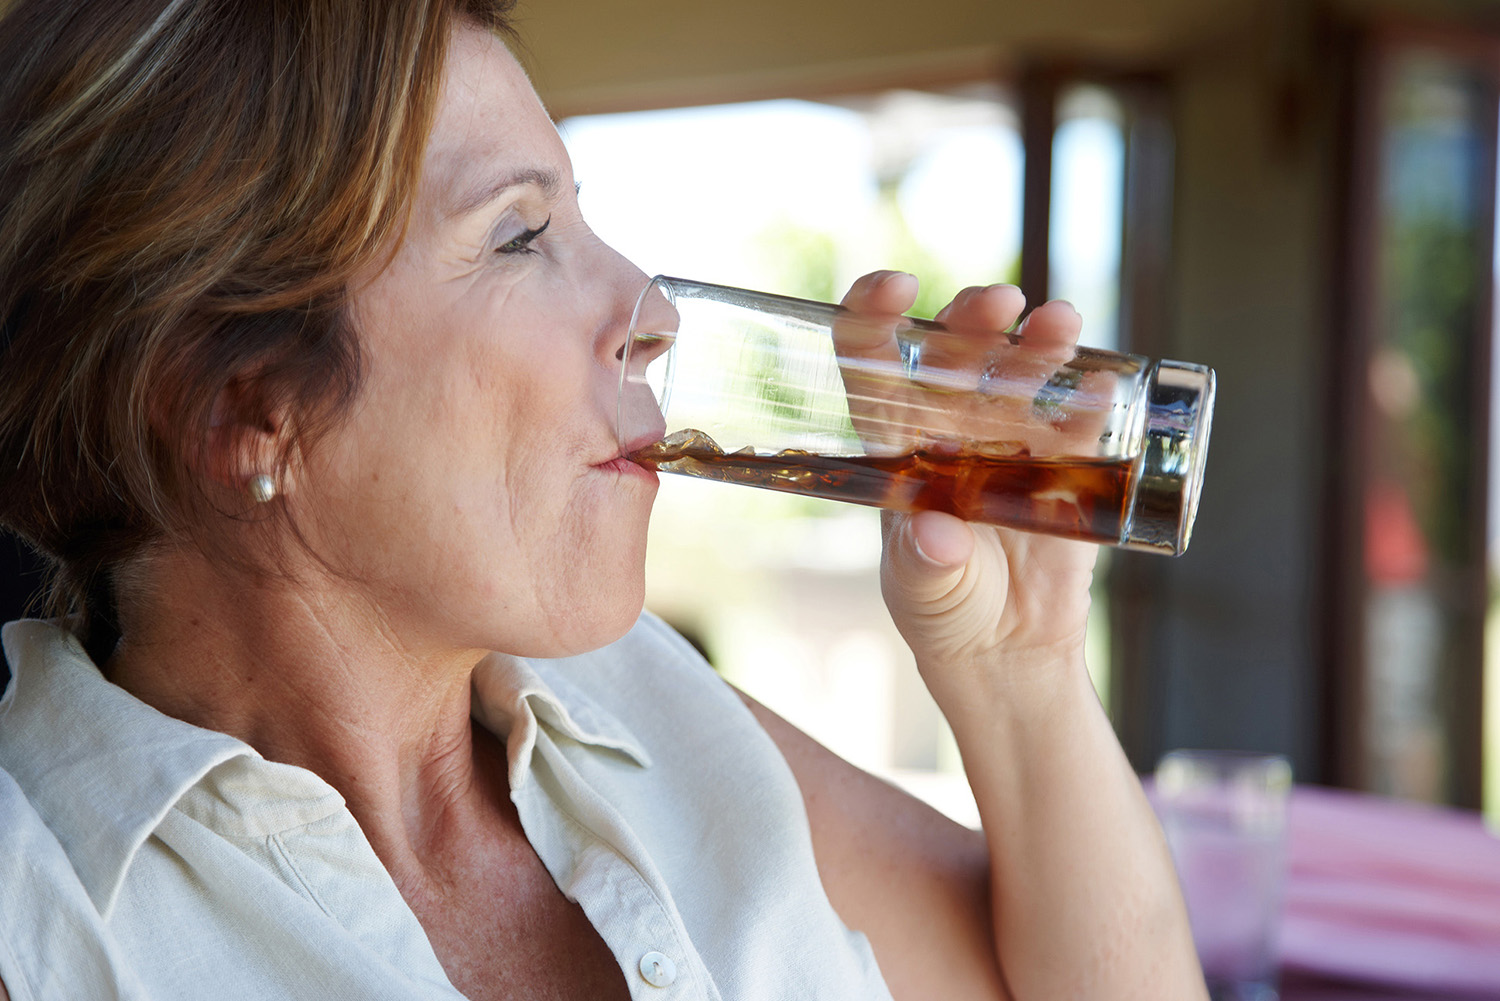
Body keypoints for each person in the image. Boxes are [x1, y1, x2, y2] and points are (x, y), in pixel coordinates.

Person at [0, 1, 1205, 998]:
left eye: (577, 211)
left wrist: (1016, 666)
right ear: (238, 405)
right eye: (519, 234)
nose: (652, 312)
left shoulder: (634, 697)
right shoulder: (46, 923)